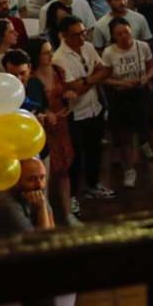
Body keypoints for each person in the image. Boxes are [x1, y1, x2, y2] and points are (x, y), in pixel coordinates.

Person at [52, 16, 115, 201]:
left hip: (94, 107)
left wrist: (86, 80)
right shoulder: (59, 58)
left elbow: (106, 70)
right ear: (64, 36)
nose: (82, 38)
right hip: (76, 113)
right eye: (76, 35)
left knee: (95, 151)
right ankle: (72, 196)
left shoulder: (87, 47)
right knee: (77, 157)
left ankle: (93, 185)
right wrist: (92, 78)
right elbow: (74, 88)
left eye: (83, 33)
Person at [22, 38, 76, 223]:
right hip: (45, 130)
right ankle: (47, 215)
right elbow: (34, 105)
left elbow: (66, 92)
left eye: (50, 51)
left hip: (62, 125)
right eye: (46, 52)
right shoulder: (33, 79)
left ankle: (67, 213)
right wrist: (46, 113)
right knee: (46, 173)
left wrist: (69, 97)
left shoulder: (58, 71)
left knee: (64, 169)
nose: (51, 55)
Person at [102, 17, 153, 189]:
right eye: (119, 34)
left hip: (141, 94)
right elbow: (106, 78)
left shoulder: (142, 47)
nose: (124, 36)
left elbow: (151, 68)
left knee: (149, 131)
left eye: (126, 32)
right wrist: (122, 84)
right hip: (121, 98)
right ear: (113, 36)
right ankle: (129, 170)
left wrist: (145, 78)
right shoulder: (109, 53)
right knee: (125, 136)